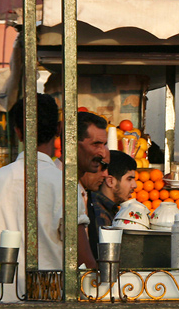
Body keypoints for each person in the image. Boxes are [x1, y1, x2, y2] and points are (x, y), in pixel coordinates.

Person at [0, 95, 91, 292]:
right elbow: (82, 256)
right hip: (43, 298)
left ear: (18, 132)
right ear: (59, 129)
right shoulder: (63, 183)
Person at [87, 150, 136, 258]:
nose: (134, 185)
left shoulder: (110, 209)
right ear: (110, 181)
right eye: (129, 179)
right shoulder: (98, 212)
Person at [76, 112, 109, 269]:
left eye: (104, 145)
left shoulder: (82, 191)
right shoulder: (62, 185)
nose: (102, 153)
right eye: (96, 145)